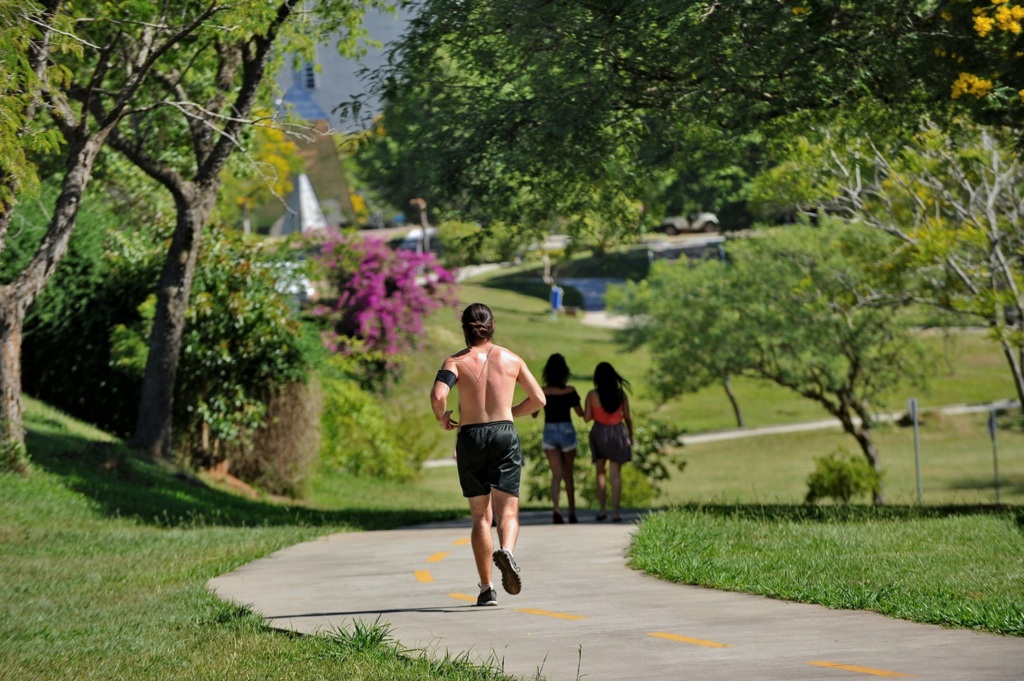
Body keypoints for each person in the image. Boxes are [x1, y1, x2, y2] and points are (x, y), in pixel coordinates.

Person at [430, 303, 546, 606]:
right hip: (504, 434)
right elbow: (538, 399)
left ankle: (486, 589)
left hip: (470, 437)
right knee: (509, 510)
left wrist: (442, 417)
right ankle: (506, 550)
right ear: (492, 326)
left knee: (481, 515)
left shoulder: (455, 361)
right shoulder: (511, 359)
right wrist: (510, 413)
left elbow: (439, 395)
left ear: (464, 329)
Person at [532, 353, 584, 524]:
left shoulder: (543, 391)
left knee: (556, 474)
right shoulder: (570, 391)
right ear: (565, 372)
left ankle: (556, 510)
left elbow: (533, 413)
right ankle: (572, 512)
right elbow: (579, 413)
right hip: (567, 430)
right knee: (568, 474)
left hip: (550, 430)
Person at [583, 362, 633, 522]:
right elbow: (628, 417)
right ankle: (616, 512)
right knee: (616, 475)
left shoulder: (592, 395)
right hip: (618, 432)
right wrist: (631, 435)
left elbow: (586, 418)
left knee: (600, 472)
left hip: (599, 433)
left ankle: (603, 509)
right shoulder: (621, 394)